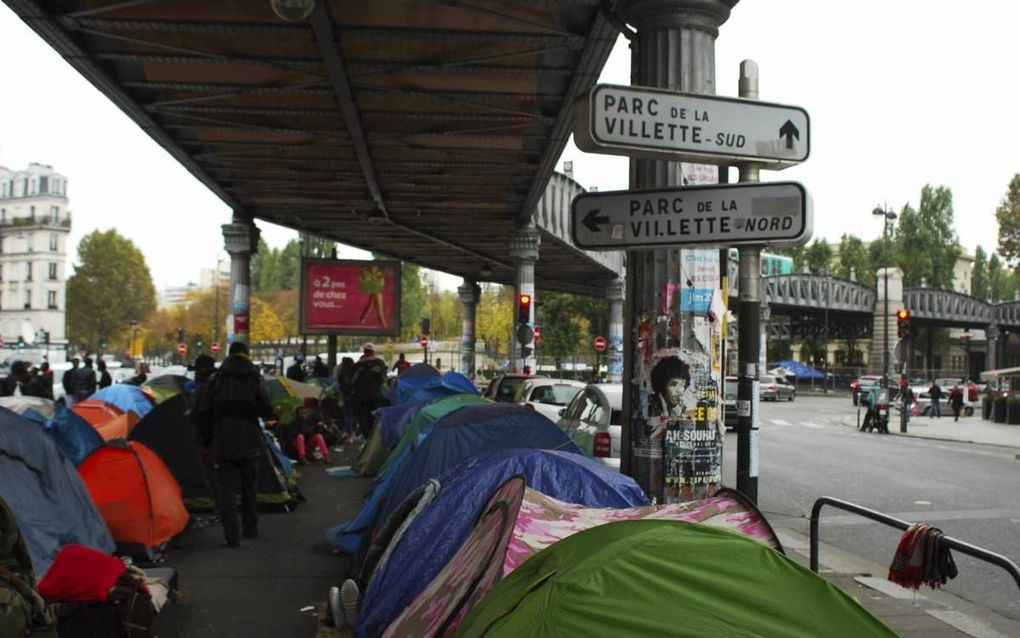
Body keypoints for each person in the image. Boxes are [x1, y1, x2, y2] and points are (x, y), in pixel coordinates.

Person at [192, 341, 273, 548]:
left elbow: (204, 411)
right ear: (246, 354)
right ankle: (251, 529)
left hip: (223, 438)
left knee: (226, 489)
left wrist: (205, 440)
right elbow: (266, 407)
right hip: (250, 437)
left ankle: (232, 536)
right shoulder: (255, 378)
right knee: (249, 486)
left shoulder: (215, 379)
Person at [351, 343, 388, 437]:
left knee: (362, 416)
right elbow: (384, 379)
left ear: (364, 351)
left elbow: (352, 381)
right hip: (375, 395)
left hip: (361, 396)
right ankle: (373, 436)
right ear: (373, 352)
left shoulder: (358, 365)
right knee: (374, 416)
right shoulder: (380, 363)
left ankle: (367, 435)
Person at [335, 357, 358, 444]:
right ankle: (354, 433)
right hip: (355, 396)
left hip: (346, 396)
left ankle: (349, 434)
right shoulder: (354, 372)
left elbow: (338, 383)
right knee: (355, 415)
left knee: (348, 415)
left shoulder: (341, 374)